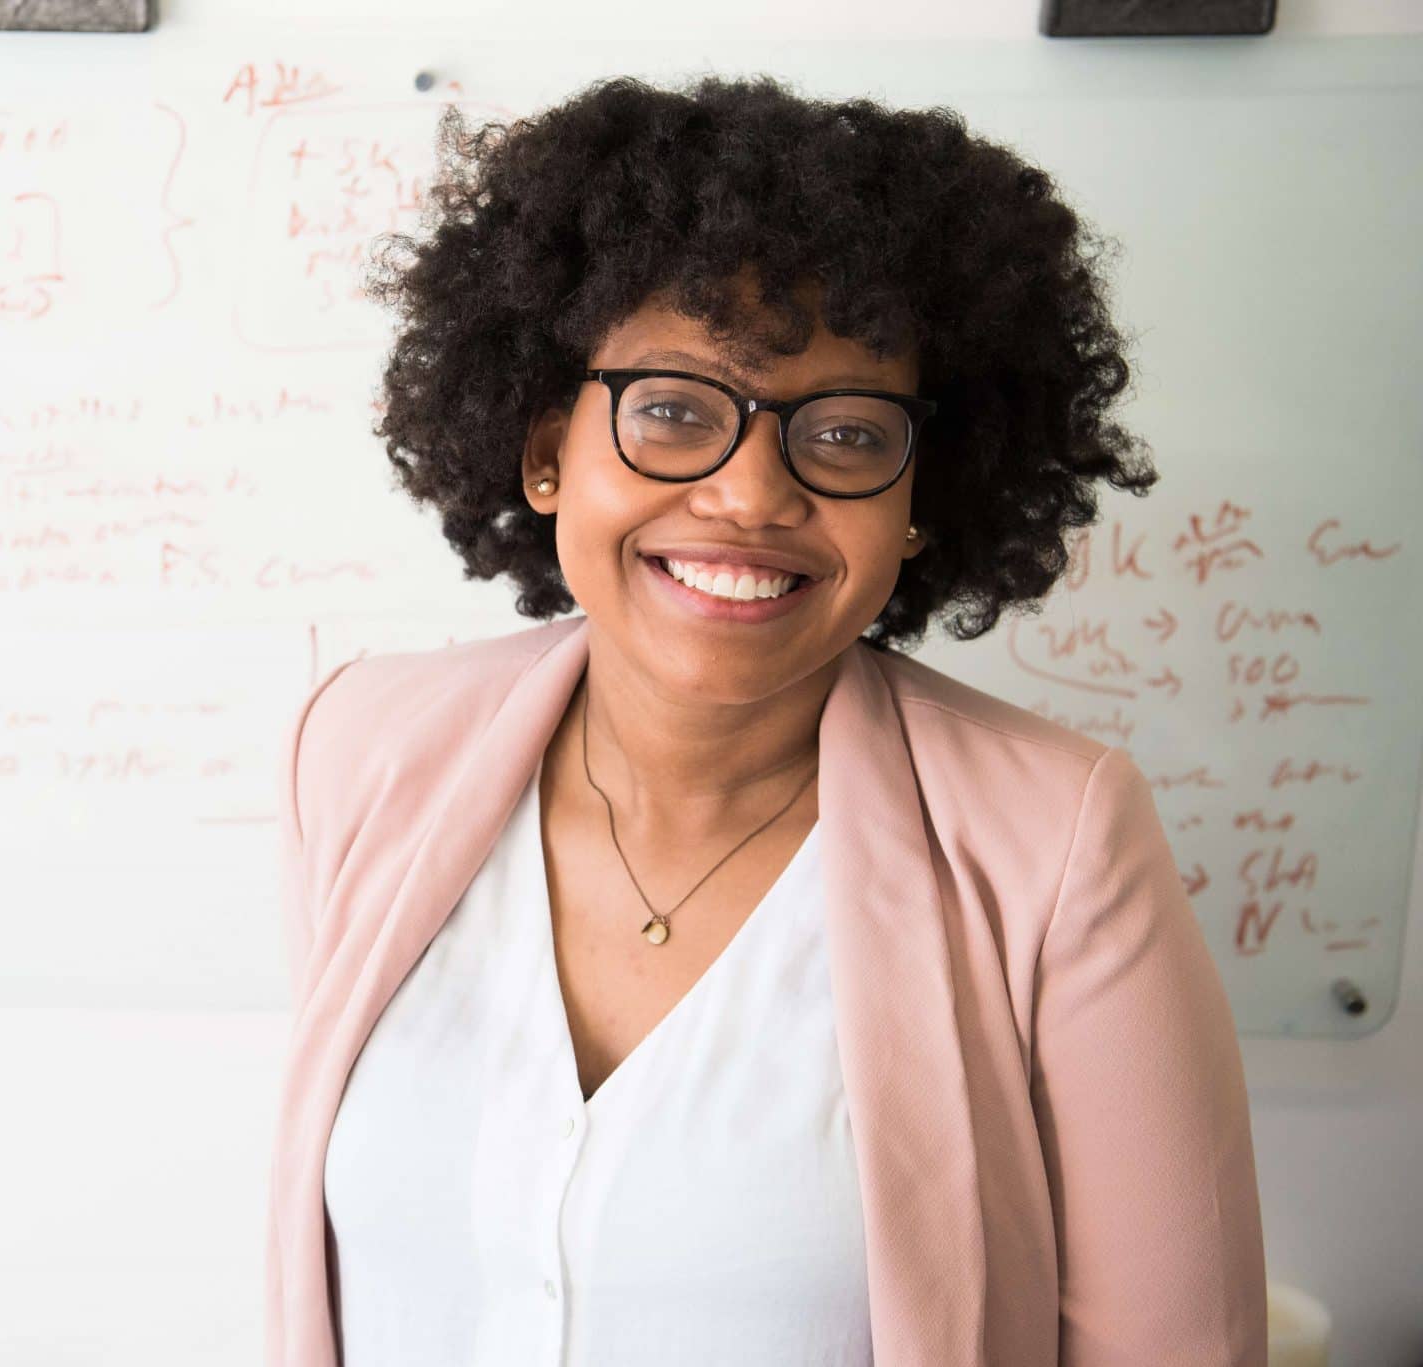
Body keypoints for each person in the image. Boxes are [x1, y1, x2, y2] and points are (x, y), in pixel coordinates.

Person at [263, 73, 1265, 1367]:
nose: (749, 495)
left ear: (920, 497)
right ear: (546, 446)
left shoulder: (1056, 844)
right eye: (675, 408)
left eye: (845, 434)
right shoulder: (358, 754)